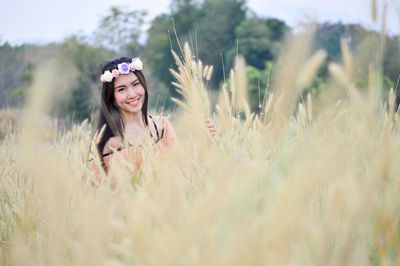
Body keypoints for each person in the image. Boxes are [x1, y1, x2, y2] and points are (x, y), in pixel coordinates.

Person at [88, 57, 216, 178]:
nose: (132, 94)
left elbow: (185, 172)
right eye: (121, 89)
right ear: (111, 96)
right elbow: (92, 189)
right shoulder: (104, 137)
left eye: (135, 84)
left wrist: (205, 142)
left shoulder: (160, 126)